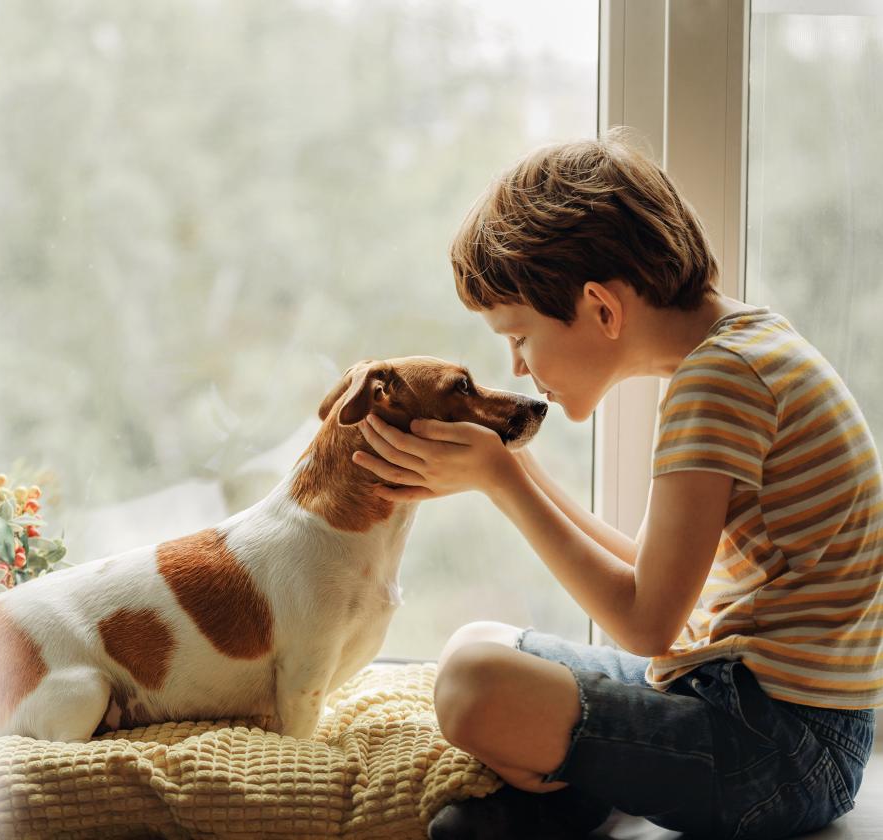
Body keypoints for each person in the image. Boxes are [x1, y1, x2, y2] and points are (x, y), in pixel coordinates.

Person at [350, 127, 880, 839]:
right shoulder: (744, 349)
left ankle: (572, 790)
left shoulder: (719, 382)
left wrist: (504, 483)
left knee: (472, 682)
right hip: (756, 709)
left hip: (779, 750)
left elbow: (645, 623)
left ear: (602, 309)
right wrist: (516, 472)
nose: (516, 367)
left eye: (519, 336)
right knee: (482, 640)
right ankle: (581, 790)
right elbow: (650, 572)